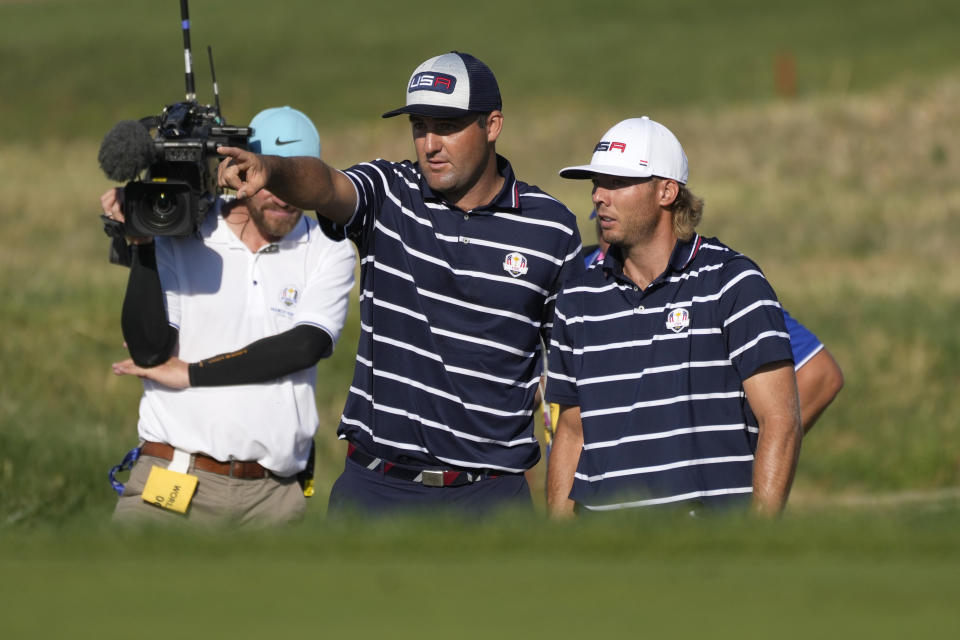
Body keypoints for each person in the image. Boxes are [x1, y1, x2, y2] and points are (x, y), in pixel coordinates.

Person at [217, 52, 584, 515]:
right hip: (376, 489)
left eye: (447, 126)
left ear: (492, 125)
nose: (429, 143)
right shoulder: (387, 191)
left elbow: (572, 388)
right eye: (419, 125)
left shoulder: (550, 227)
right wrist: (274, 171)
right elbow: (326, 186)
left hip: (489, 498)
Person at [104, 106, 356, 527]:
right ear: (243, 171)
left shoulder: (328, 250)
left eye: (291, 182)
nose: (281, 197)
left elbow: (304, 345)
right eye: (269, 182)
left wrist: (192, 373)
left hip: (273, 497)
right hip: (174, 477)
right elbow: (150, 351)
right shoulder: (185, 232)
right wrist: (142, 243)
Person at [545, 116, 803, 517]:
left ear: (667, 191)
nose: (598, 196)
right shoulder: (578, 298)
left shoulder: (732, 283)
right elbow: (572, 433)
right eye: (597, 183)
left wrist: (757, 541)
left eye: (618, 183)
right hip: (604, 553)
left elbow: (780, 421)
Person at [570, 213, 843, 436]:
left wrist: (756, 466)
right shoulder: (570, 279)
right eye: (602, 224)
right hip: (584, 492)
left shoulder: (714, 284)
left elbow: (819, 375)